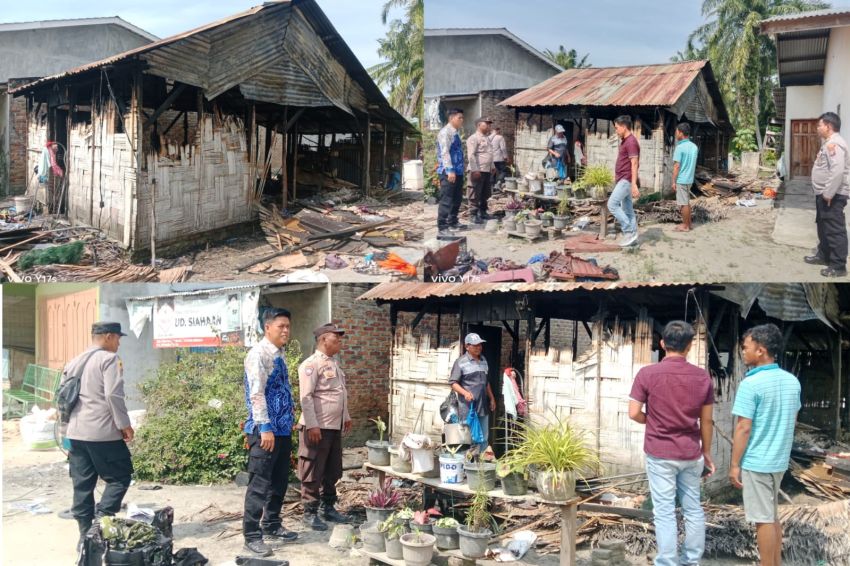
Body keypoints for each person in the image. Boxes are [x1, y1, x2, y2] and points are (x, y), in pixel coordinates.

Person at [628, 321, 715, 566]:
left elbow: (634, 413)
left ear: (662, 343)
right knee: (693, 509)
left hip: (660, 453)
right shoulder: (702, 377)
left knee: (664, 511)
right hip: (690, 453)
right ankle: (691, 561)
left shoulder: (647, 374)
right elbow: (706, 422)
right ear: (689, 346)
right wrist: (706, 453)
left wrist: (652, 420)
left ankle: (667, 562)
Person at [730, 324, 801, 566]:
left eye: (745, 347)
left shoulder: (750, 384)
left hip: (757, 461)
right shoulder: (792, 381)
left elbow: (743, 428)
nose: (742, 352)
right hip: (779, 460)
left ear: (760, 351)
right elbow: (792, 419)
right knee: (771, 516)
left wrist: (734, 464)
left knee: (763, 520)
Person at [62, 322, 134, 552]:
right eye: (118, 338)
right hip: (102, 433)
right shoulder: (109, 359)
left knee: (82, 485)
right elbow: (113, 394)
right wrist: (124, 424)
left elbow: (63, 396)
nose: (119, 343)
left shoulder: (74, 361)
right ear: (109, 337)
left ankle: (84, 538)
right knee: (120, 476)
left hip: (76, 433)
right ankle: (101, 521)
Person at [242, 308, 298, 557]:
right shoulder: (259, 354)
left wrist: (290, 420)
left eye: (288, 326)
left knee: (279, 481)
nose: (286, 330)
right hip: (265, 431)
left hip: (282, 430)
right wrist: (265, 426)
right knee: (259, 484)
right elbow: (256, 393)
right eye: (281, 326)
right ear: (267, 328)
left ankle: (272, 524)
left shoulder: (279, 353)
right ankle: (252, 536)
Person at [297, 323, 352, 532]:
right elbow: (306, 397)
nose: (339, 341)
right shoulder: (311, 365)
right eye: (335, 338)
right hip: (317, 427)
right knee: (312, 469)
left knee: (332, 469)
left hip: (333, 427)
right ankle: (309, 513)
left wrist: (345, 416)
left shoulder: (334, 364)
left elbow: (340, 393)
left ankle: (328, 508)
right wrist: (312, 425)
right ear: (323, 340)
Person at [804, 111, 849, 277]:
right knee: (823, 226)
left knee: (834, 230)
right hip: (825, 194)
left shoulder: (835, 144)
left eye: (819, 125)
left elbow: (837, 171)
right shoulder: (830, 143)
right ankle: (823, 255)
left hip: (832, 196)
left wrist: (828, 194)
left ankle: (838, 266)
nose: (817, 128)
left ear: (828, 126)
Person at [448, 333, 496, 453]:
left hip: (483, 406)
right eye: (475, 345)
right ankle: (467, 466)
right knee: (468, 438)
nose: (478, 347)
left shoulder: (484, 360)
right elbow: (453, 383)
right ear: (467, 346)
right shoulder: (460, 362)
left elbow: (486, 382)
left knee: (483, 437)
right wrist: (465, 393)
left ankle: (481, 466)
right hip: (468, 408)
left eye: (480, 345)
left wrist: (492, 398)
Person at [609, 115, 641, 247]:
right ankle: (632, 236)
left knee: (612, 204)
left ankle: (628, 231)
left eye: (617, 128)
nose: (616, 130)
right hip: (623, 178)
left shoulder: (631, 142)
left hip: (626, 180)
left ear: (623, 126)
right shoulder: (625, 141)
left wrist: (633, 184)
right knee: (628, 209)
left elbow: (634, 163)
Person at [436, 108, 467, 236]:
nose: (462, 120)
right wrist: (450, 170)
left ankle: (452, 221)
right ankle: (442, 227)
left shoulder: (455, 132)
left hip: (458, 171)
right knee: (447, 199)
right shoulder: (445, 132)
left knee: (457, 198)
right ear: (451, 118)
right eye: (459, 118)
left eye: (462, 118)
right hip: (448, 171)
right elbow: (445, 152)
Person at [467, 117, 495, 224]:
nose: (489, 126)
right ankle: (473, 215)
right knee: (474, 192)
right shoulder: (473, 138)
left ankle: (483, 212)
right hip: (477, 170)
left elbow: (489, 153)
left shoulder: (487, 138)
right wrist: (475, 170)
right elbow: (471, 155)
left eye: (489, 124)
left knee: (485, 193)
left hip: (486, 170)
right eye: (486, 124)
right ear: (479, 125)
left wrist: (492, 166)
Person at [671, 123, 700, 232]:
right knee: (686, 202)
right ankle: (689, 224)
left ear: (681, 133)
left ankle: (685, 226)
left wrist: (673, 181)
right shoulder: (694, 147)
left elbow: (677, 166)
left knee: (683, 204)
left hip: (682, 179)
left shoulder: (680, 147)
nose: (675, 134)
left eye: (676, 132)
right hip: (689, 179)